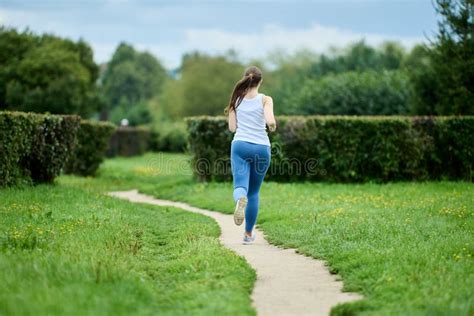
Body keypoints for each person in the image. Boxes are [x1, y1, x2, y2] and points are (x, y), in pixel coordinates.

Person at [225, 66, 276, 244]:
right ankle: (248, 235)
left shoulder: (236, 100)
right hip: (262, 148)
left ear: (245, 79)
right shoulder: (265, 99)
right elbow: (270, 120)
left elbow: (232, 128)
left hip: (240, 146)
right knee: (254, 193)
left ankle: (240, 199)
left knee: (241, 186)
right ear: (260, 81)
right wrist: (271, 124)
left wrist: (234, 111)